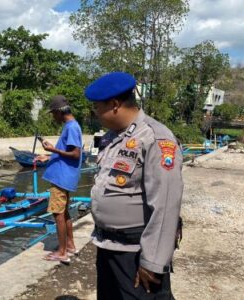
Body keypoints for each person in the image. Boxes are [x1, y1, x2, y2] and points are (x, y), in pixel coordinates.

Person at [85, 72, 183, 299]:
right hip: (108, 246)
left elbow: (166, 204)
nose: (96, 113)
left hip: (136, 252)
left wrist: (153, 261)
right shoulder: (111, 138)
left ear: (115, 105)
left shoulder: (155, 138)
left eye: (97, 107)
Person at [35, 95, 83, 263]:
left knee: (58, 214)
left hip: (61, 179)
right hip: (65, 176)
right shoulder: (72, 126)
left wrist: (53, 150)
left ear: (58, 112)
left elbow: (75, 154)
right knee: (64, 212)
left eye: (53, 114)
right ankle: (69, 246)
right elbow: (67, 153)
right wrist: (49, 156)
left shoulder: (71, 127)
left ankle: (62, 252)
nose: (53, 117)